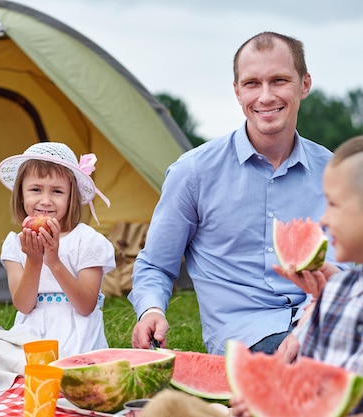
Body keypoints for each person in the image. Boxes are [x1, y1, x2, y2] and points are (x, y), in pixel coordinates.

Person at [129, 31, 345, 356]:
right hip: (247, 333)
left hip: (326, 319)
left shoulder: (333, 173)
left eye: (279, 80)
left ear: (304, 84)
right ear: (237, 91)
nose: (266, 96)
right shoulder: (193, 173)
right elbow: (156, 265)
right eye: (252, 83)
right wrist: (151, 310)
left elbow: (344, 267)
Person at [231, 136, 363, 416]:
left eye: (334, 205)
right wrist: (267, 395)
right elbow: (306, 375)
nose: (323, 220)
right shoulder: (337, 291)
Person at [0, 142, 116, 357]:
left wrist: (54, 262)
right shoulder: (15, 244)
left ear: (71, 197)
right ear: (21, 194)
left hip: (78, 335)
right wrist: (34, 260)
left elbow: (86, 306)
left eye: (57, 191)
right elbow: (23, 305)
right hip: (31, 333)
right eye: (35, 189)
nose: (45, 200)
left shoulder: (87, 240)